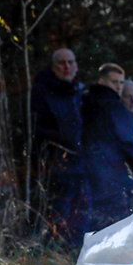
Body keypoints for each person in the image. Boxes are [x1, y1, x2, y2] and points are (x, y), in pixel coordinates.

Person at [30, 47, 88, 248]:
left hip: (81, 163)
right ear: (53, 67)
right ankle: (50, 254)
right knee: (58, 213)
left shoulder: (80, 91)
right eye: (61, 63)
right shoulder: (42, 91)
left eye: (70, 62)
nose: (66, 67)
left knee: (81, 212)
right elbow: (37, 129)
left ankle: (74, 253)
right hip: (56, 165)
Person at [81, 63, 133, 229]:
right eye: (114, 82)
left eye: (121, 83)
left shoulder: (84, 104)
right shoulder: (115, 108)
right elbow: (129, 144)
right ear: (102, 82)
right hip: (112, 178)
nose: (119, 87)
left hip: (89, 175)